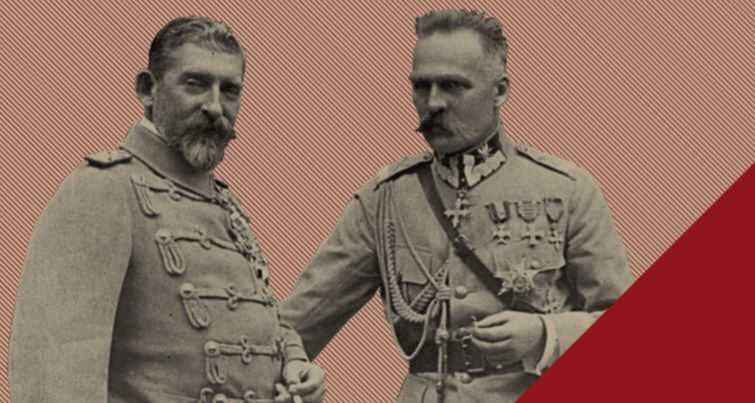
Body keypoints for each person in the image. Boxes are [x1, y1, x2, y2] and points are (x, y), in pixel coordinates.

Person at [280, 9, 633, 403]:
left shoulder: (567, 190)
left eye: (452, 86)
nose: (433, 103)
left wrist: (544, 335)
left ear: (500, 91)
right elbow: (290, 326)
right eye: (422, 86)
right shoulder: (386, 199)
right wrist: (296, 368)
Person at [10, 16, 325, 403]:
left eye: (229, 90)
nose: (215, 106)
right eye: (195, 84)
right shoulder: (104, 189)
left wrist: (295, 362)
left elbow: (254, 320)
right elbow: (52, 375)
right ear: (147, 89)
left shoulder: (224, 202)